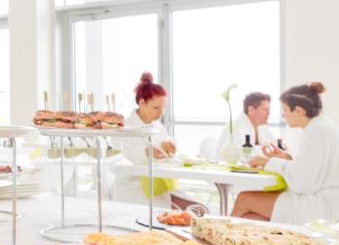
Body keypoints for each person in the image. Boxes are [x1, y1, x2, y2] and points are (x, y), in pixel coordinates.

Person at [232, 82, 339, 223]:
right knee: (250, 218)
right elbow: (311, 167)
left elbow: (302, 182)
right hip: (325, 202)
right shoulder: (322, 127)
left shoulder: (316, 131)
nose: (283, 115)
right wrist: (286, 157)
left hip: (318, 206)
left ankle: (217, 239)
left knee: (244, 199)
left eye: (285, 110)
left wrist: (269, 162)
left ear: (299, 111)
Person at [116, 72, 199, 210]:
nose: (161, 113)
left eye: (163, 107)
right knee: (187, 213)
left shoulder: (157, 126)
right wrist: (146, 152)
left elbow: (169, 149)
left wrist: (169, 146)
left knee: (200, 209)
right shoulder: (124, 127)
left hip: (161, 184)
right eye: (156, 108)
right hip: (135, 188)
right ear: (142, 102)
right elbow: (120, 160)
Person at [217, 91, 276, 157]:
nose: (269, 113)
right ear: (251, 110)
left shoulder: (262, 127)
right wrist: (265, 150)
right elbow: (240, 153)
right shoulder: (237, 126)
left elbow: (275, 148)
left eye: (269, 110)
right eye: (265, 110)